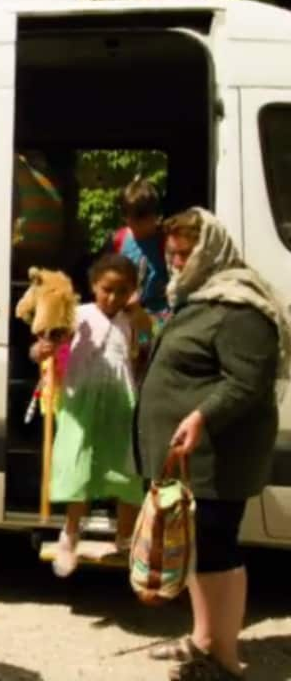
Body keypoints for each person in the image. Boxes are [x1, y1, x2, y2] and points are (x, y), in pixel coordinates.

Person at [137, 208, 289, 681]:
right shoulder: (199, 295)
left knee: (217, 547)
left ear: (211, 250)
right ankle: (203, 638)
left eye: (186, 253)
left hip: (219, 455)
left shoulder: (239, 305)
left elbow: (248, 381)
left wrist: (202, 415)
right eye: (173, 254)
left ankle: (224, 658)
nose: (178, 262)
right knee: (197, 549)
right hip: (190, 456)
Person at [31, 254, 148, 578]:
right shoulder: (76, 316)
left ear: (132, 292)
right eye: (107, 289)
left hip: (121, 406)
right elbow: (46, 344)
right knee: (78, 468)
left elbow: (147, 343)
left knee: (125, 474)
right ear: (94, 285)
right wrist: (41, 350)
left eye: (122, 291)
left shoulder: (133, 322)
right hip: (81, 405)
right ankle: (70, 535)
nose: (113, 297)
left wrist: (139, 314)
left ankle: (125, 539)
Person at [108, 178, 170, 318]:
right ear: (125, 217)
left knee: (145, 339)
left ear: (155, 216)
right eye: (133, 221)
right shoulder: (118, 240)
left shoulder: (165, 240)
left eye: (145, 221)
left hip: (158, 312)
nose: (139, 227)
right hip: (125, 311)